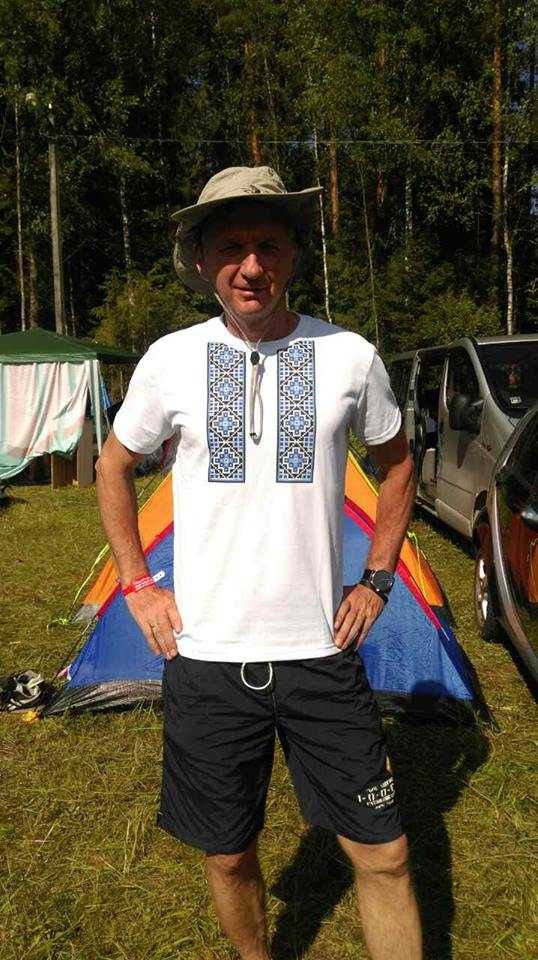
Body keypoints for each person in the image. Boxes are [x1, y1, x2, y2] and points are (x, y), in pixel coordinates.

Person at [96, 166, 422, 960]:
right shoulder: (171, 358)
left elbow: (399, 464)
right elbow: (113, 465)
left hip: (322, 652)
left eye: (268, 246)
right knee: (228, 854)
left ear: (294, 256)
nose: (251, 266)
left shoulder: (349, 355)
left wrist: (378, 578)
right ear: (203, 260)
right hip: (207, 658)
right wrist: (137, 584)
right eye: (232, 247)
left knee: (385, 854)